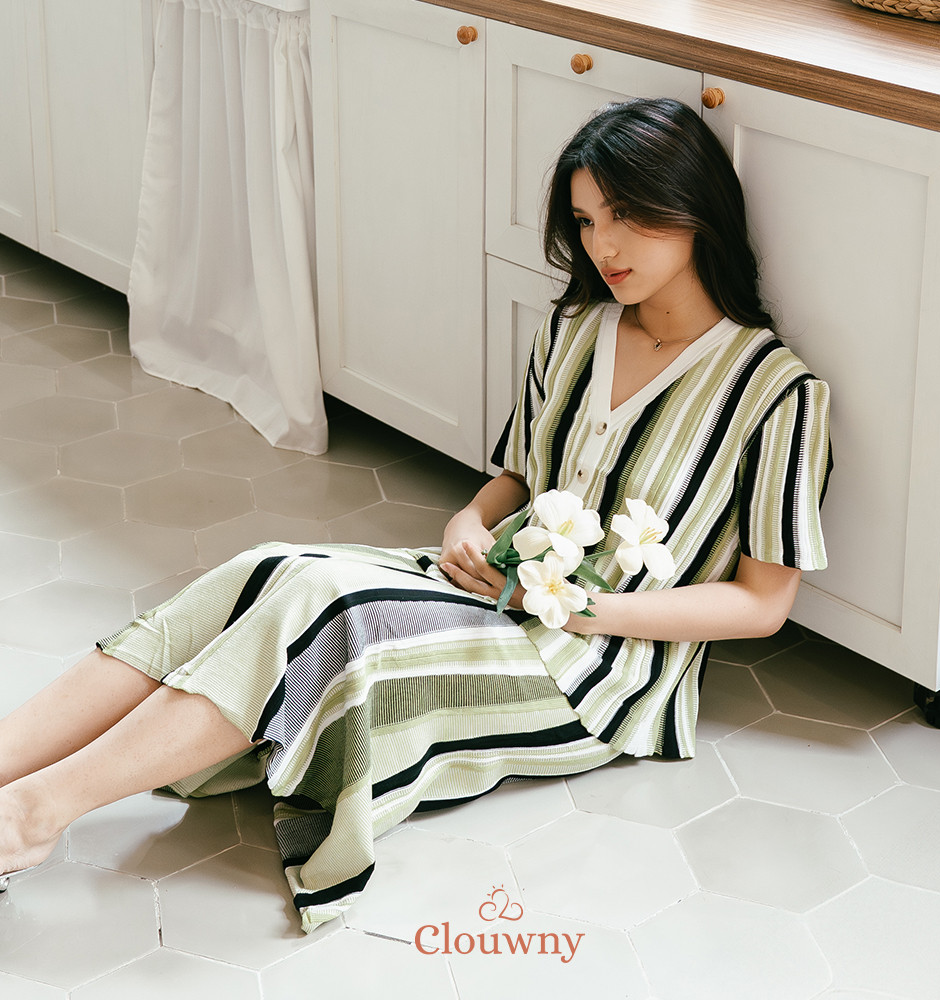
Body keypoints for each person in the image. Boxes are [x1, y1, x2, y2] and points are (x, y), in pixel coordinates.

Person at [0, 98, 831, 931]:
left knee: (328, 609)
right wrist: (468, 520)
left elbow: (763, 603)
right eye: (585, 221)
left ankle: (32, 816)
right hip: (489, 584)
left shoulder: (778, 393)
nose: (602, 246)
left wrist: (586, 610)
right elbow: (519, 474)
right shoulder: (577, 328)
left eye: (625, 216)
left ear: (692, 208)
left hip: (596, 669)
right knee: (268, 569)